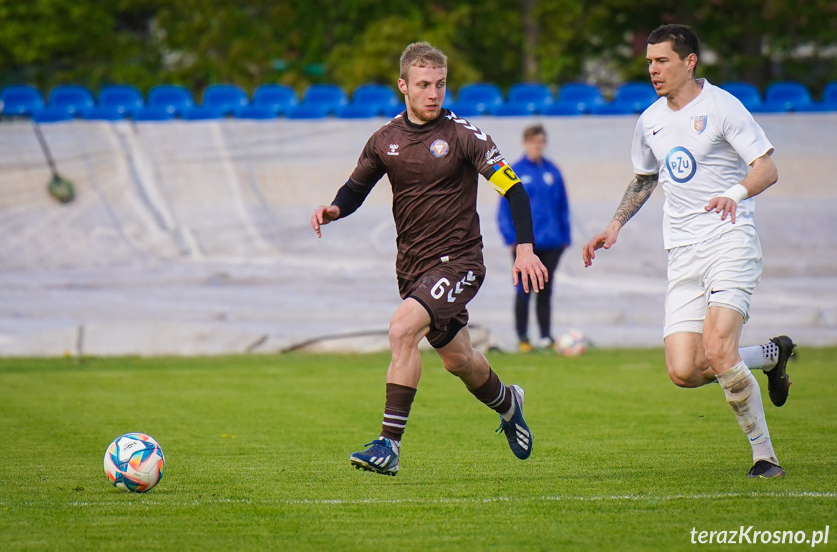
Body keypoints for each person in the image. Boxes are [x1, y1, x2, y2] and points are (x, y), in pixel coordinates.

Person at [311, 41, 548, 476]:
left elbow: (513, 189)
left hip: (459, 263)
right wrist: (335, 209)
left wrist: (525, 248)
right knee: (460, 361)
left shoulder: (464, 137)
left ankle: (389, 445)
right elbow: (356, 187)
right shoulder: (385, 140)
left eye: (440, 84)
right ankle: (508, 401)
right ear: (403, 86)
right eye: (423, 85)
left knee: (402, 330)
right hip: (413, 268)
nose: (434, 93)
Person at [582, 24, 795, 479]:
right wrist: (614, 225)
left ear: (689, 61)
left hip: (729, 240)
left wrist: (733, 195)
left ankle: (765, 456)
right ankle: (770, 355)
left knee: (718, 349)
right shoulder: (650, 120)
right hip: (681, 252)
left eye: (662, 61)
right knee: (685, 370)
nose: (654, 70)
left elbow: (768, 168)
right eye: (649, 63)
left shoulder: (722, 107)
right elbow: (645, 177)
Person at [498, 124, 570, 352]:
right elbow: (503, 210)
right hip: (526, 245)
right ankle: (523, 337)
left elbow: (563, 206)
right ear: (525, 143)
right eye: (533, 142)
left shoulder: (553, 171)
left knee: (546, 290)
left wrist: (565, 236)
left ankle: (546, 336)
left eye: (541, 142)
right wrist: (512, 239)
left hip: (552, 242)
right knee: (524, 290)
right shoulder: (515, 171)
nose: (537, 146)